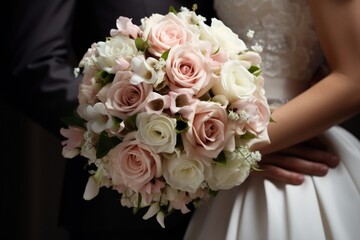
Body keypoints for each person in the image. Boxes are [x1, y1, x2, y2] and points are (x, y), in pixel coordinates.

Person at [4, 0, 343, 239]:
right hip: (126, 206)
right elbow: (35, 65)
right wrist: (145, 133)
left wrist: (240, 146)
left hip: (257, 184)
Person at [184, 0, 360, 239]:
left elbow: (354, 80)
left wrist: (229, 149)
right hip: (232, 163)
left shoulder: (227, 149)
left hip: (296, 163)